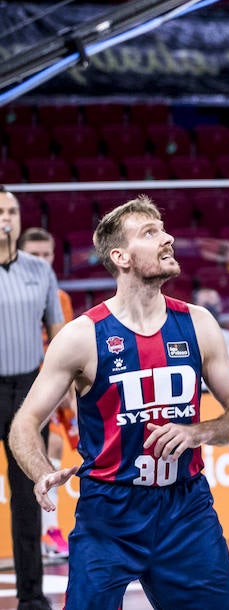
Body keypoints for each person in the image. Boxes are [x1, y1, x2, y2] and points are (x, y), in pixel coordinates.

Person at [9, 196, 229, 610]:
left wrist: (199, 432)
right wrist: (41, 471)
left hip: (185, 509)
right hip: (109, 512)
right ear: (120, 257)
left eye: (163, 229)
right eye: (150, 232)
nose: (167, 238)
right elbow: (24, 423)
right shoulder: (81, 336)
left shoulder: (198, 324)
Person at [0, 191, 66, 610]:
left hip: (27, 391)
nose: (6, 217)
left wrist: (65, 390)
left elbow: (58, 335)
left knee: (27, 496)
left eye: (11, 210)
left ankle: (32, 598)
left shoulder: (40, 271)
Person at [16, 226, 77, 562]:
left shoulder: (61, 298)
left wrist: (67, 386)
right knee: (42, 449)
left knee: (59, 447)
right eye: (34, 254)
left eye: (46, 254)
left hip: (50, 386)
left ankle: (51, 531)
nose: (41, 260)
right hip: (17, 385)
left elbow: (63, 345)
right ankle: (45, 533)